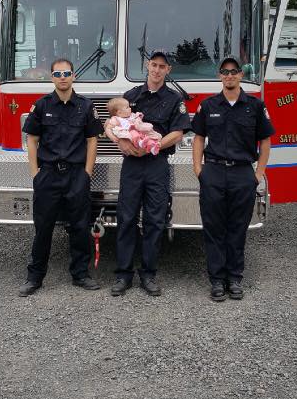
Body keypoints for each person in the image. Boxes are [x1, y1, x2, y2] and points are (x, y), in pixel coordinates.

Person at [105, 51, 191, 297]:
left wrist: (152, 146)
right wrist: (120, 143)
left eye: (162, 66)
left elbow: (179, 132)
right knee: (126, 217)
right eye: (153, 65)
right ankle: (123, 275)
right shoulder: (130, 96)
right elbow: (109, 124)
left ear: (168, 70)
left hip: (157, 163)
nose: (156, 70)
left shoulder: (175, 100)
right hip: (132, 164)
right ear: (147, 66)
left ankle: (149, 274)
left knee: (155, 220)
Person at [191, 56, 274, 302]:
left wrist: (258, 174)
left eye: (234, 71)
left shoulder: (255, 106)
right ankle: (217, 281)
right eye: (225, 72)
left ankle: (235, 278)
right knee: (214, 229)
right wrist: (199, 170)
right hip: (214, 173)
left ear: (241, 75)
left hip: (242, 174)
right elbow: (198, 138)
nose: (229, 75)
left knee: (238, 228)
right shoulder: (208, 106)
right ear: (220, 76)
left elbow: (266, 141)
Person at [19, 58, 103, 296]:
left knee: (79, 227)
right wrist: (35, 173)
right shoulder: (42, 106)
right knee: (43, 228)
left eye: (66, 73)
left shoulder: (85, 107)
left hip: (77, 175)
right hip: (48, 176)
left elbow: (92, 141)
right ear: (52, 78)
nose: (62, 77)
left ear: (73, 76)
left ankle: (80, 274)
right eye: (57, 74)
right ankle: (34, 277)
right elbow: (32, 140)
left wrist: (87, 172)